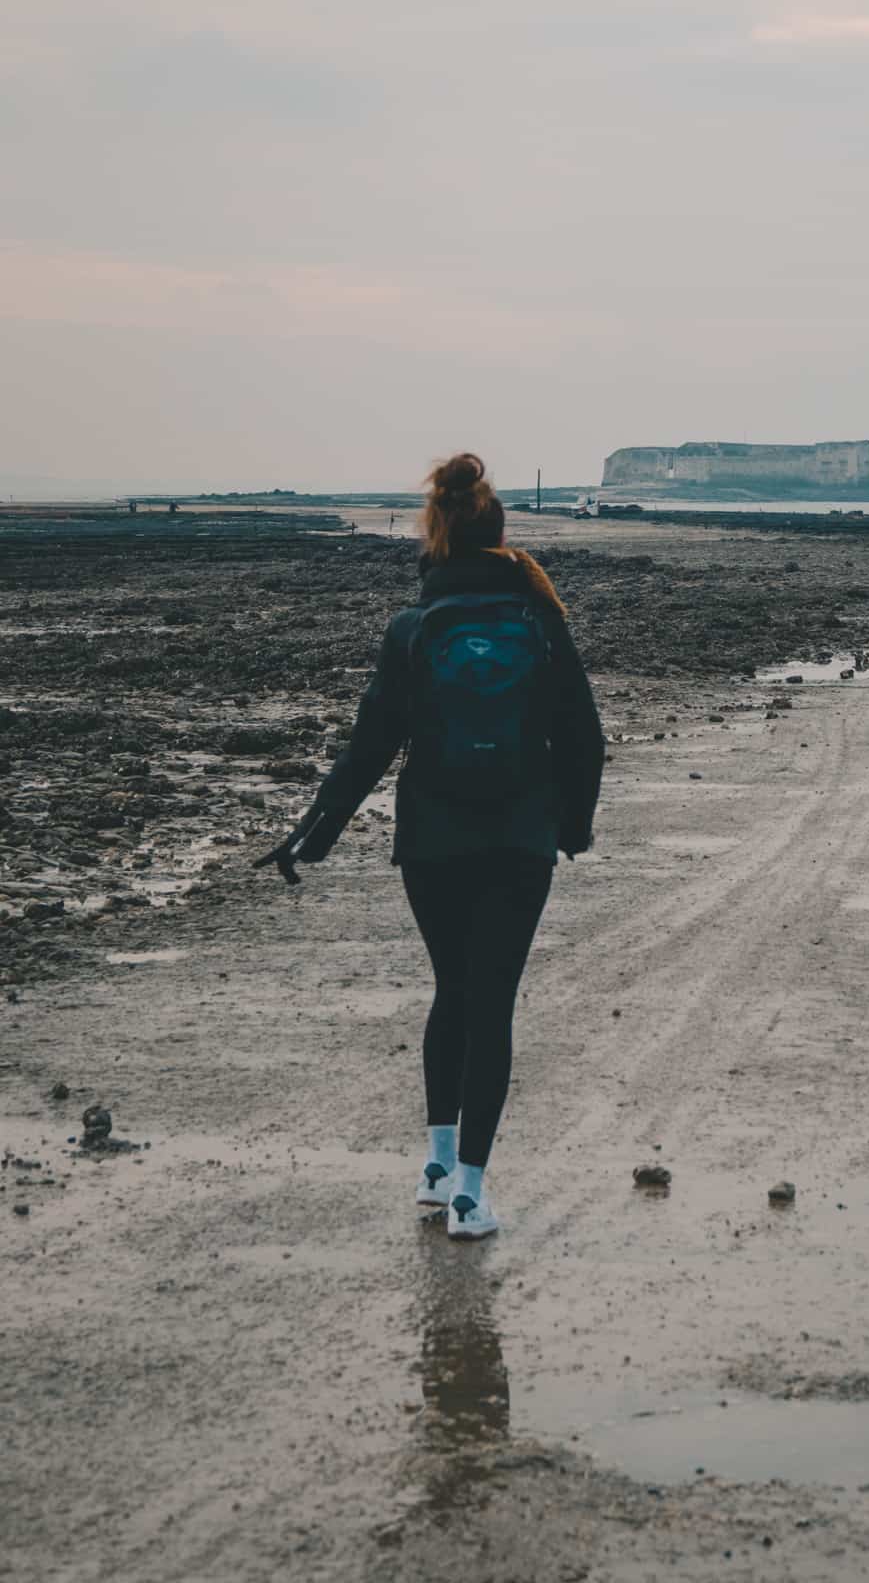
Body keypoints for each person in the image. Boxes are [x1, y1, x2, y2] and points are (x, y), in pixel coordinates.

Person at [256, 453, 604, 1239]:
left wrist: (315, 833)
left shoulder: (412, 628)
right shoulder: (541, 621)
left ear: (437, 535)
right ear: (498, 533)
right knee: (493, 1002)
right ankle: (472, 1196)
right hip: (518, 840)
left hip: (432, 840)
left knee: (453, 991)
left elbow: (372, 743)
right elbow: (583, 737)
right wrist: (571, 827)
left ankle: (436, 1167)